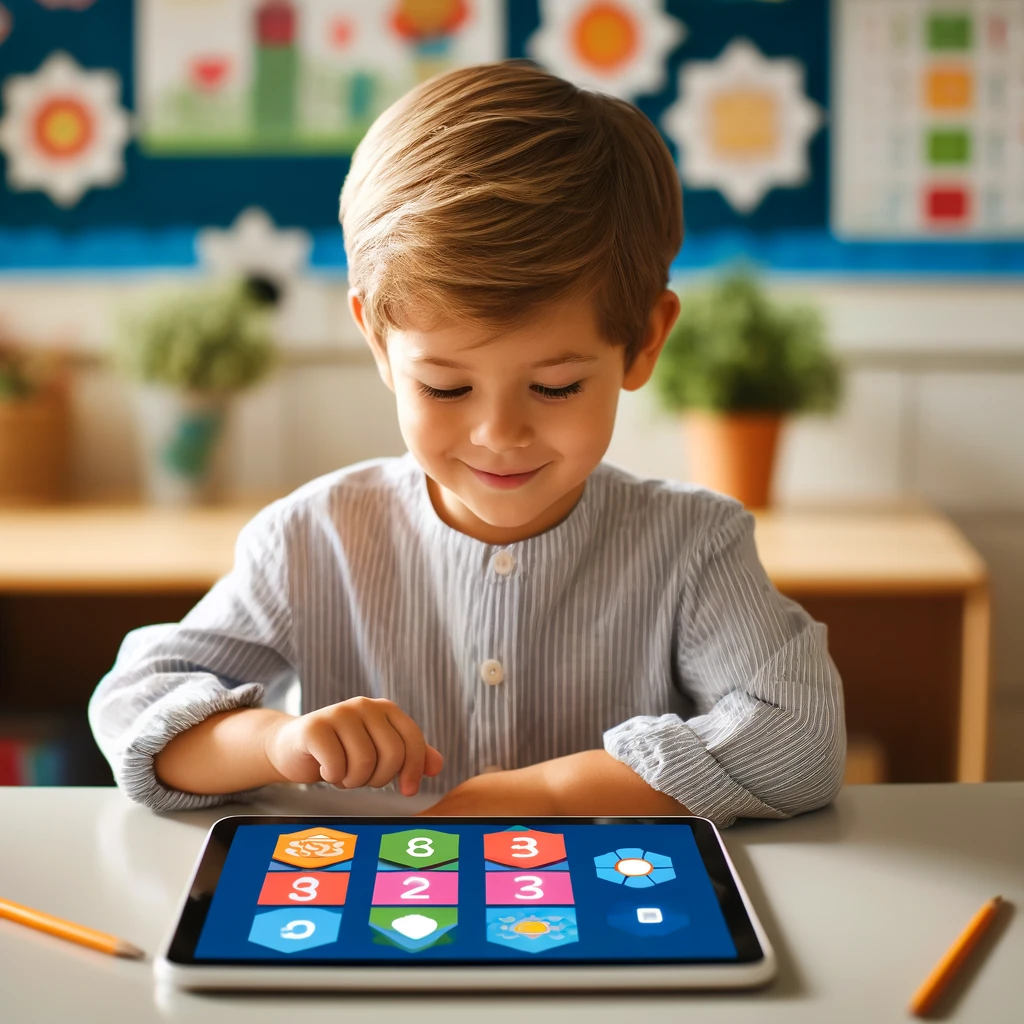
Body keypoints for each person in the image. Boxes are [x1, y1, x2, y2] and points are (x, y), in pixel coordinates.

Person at [89, 61, 845, 826]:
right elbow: (134, 708)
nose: (499, 435)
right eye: (446, 388)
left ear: (644, 342)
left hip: (611, 930)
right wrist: (276, 743)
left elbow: (802, 738)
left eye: (555, 387)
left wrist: (548, 794)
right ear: (379, 344)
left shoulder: (694, 547)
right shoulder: (311, 538)